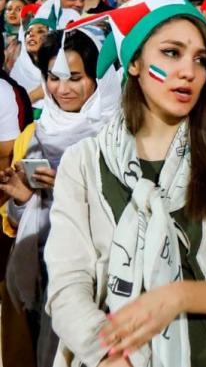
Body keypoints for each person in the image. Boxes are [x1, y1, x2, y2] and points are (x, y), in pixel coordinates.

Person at [43, 0, 206, 367]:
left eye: (200, 59)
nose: (188, 71)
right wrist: (106, 355)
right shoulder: (82, 162)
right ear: (134, 63)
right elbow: (68, 284)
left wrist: (177, 297)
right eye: (171, 53)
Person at [0, 26, 118, 367]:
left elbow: (125, 214)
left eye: (75, 78)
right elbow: (23, 221)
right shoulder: (36, 133)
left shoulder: (116, 137)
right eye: (53, 78)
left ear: (98, 79)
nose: (62, 90)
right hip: (38, 278)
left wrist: (71, 189)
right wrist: (23, 199)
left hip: (95, 286)